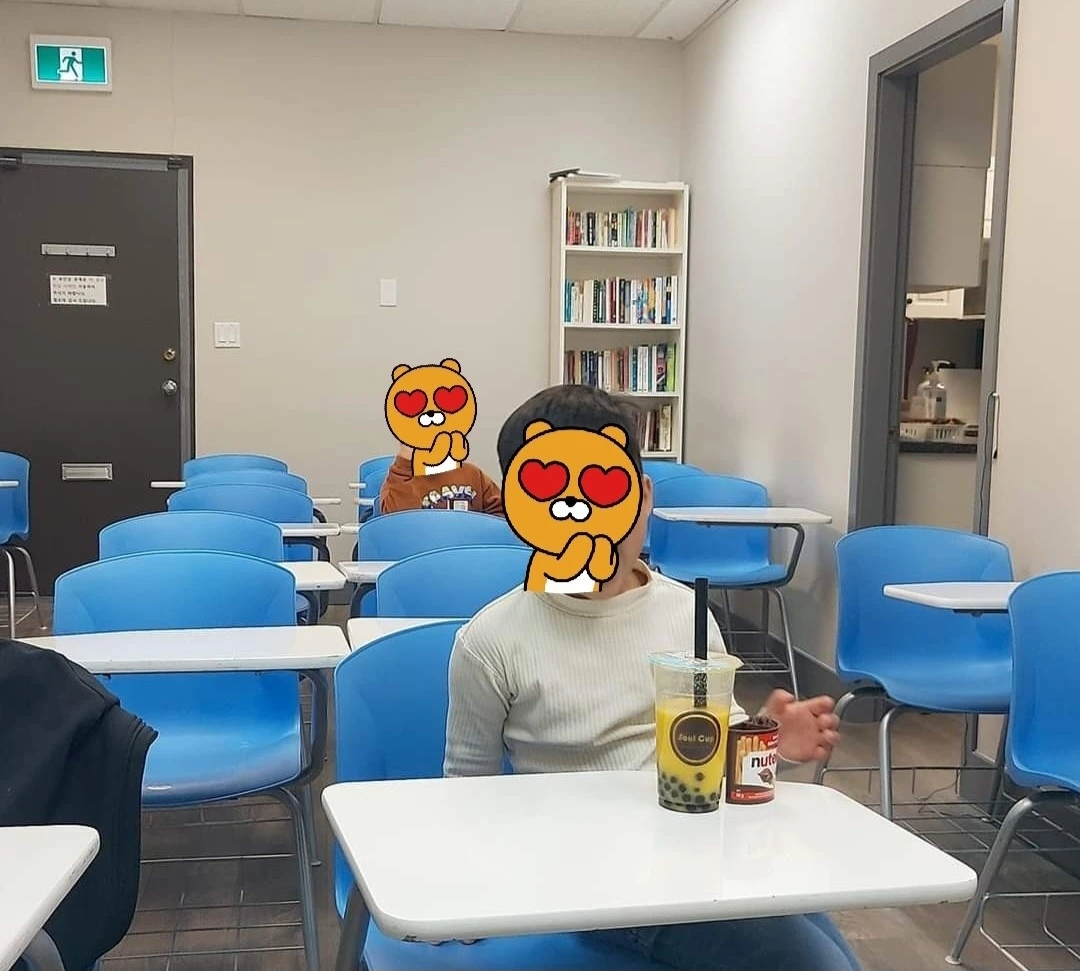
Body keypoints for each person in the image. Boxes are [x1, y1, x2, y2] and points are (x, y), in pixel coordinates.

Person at [444, 384, 861, 971]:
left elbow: (714, 751)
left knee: (829, 950)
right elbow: (467, 789)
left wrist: (769, 739)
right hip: (590, 875)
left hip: (701, 849)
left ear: (642, 496)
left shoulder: (686, 613)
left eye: (604, 490)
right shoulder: (491, 640)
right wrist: (463, 893)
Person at [379, 441, 503, 514]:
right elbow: (398, 524)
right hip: (422, 547)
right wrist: (405, 462)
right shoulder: (400, 480)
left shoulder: (472, 474)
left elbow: (500, 514)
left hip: (467, 546)